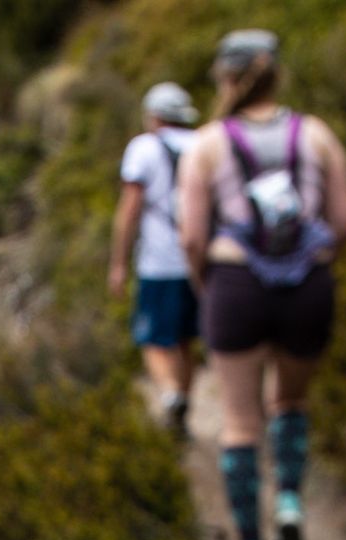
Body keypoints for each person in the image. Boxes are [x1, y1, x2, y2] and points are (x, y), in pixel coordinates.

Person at [179, 29, 346, 540]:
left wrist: (208, 284)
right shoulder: (317, 136)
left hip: (236, 283)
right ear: (277, 75)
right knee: (291, 399)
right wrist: (319, 265)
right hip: (308, 285)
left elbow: (190, 235)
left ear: (225, 79)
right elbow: (345, 221)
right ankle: (288, 500)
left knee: (239, 421)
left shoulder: (206, 145)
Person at [109, 81, 202, 437]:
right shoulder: (202, 145)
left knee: (151, 338)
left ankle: (169, 394)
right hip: (199, 260)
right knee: (185, 340)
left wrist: (118, 263)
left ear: (154, 116)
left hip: (159, 261)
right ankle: (185, 406)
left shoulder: (143, 149)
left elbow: (130, 209)